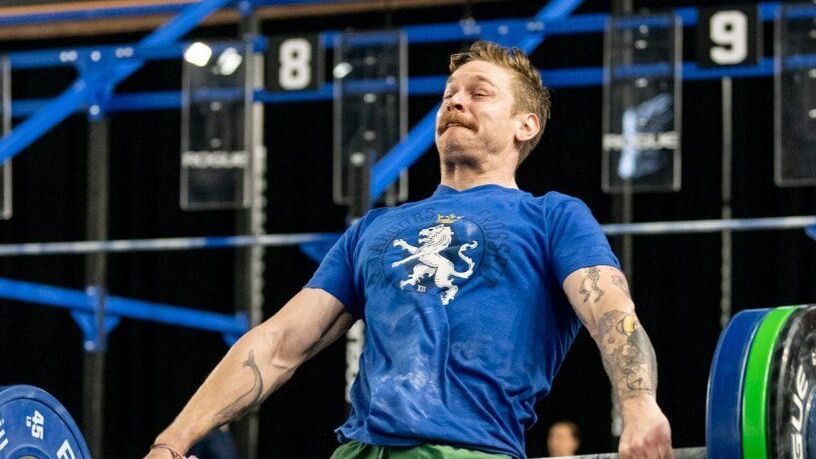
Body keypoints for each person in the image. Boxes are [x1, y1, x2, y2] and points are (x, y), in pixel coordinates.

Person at [145, 40, 673, 459]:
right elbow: (280, 342)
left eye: (479, 92)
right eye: (449, 94)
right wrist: (173, 440)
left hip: (467, 451)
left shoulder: (552, 216)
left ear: (525, 125)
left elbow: (611, 312)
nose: (455, 102)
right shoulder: (374, 228)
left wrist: (639, 404)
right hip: (356, 451)